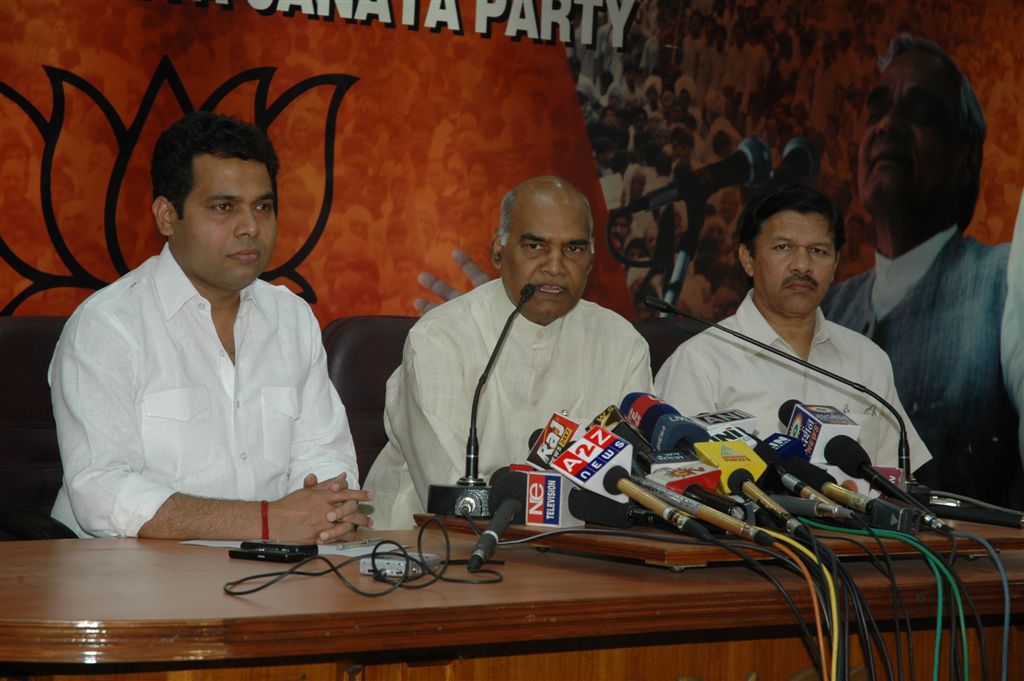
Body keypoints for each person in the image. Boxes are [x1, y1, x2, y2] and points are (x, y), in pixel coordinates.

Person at [49, 111, 371, 542]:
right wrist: (263, 522)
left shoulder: (292, 318)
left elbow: (324, 454)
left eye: (263, 206)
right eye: (224, 207)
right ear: (167, 215)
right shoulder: (108, 326)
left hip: (274, 575)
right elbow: (101, 493)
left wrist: (329, 509)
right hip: (132, 584)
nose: (251, 227)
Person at [365, 176, 653, 529]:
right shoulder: (440, 338)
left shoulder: (623, 345)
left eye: (574, 249)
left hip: (574, 557)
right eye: (535, 246)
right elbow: (456, 495)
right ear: (498, 250)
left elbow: (625, 485)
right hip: (428, 547)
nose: (555, 265)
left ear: (592, 258)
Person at [822, 35, 1023, 507]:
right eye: (877, 111)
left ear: (967, 160)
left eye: (921, 112)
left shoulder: (1006, 282)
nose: (888, 125)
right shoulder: (828, 307)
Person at [655, 184, 930, 473]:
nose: (803, 265)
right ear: (747, 258)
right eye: (783, 248)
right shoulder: (701, 361)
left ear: (835, 263)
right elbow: (676, 482)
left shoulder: (868, 360)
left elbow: (898, 481)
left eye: (818, 251)